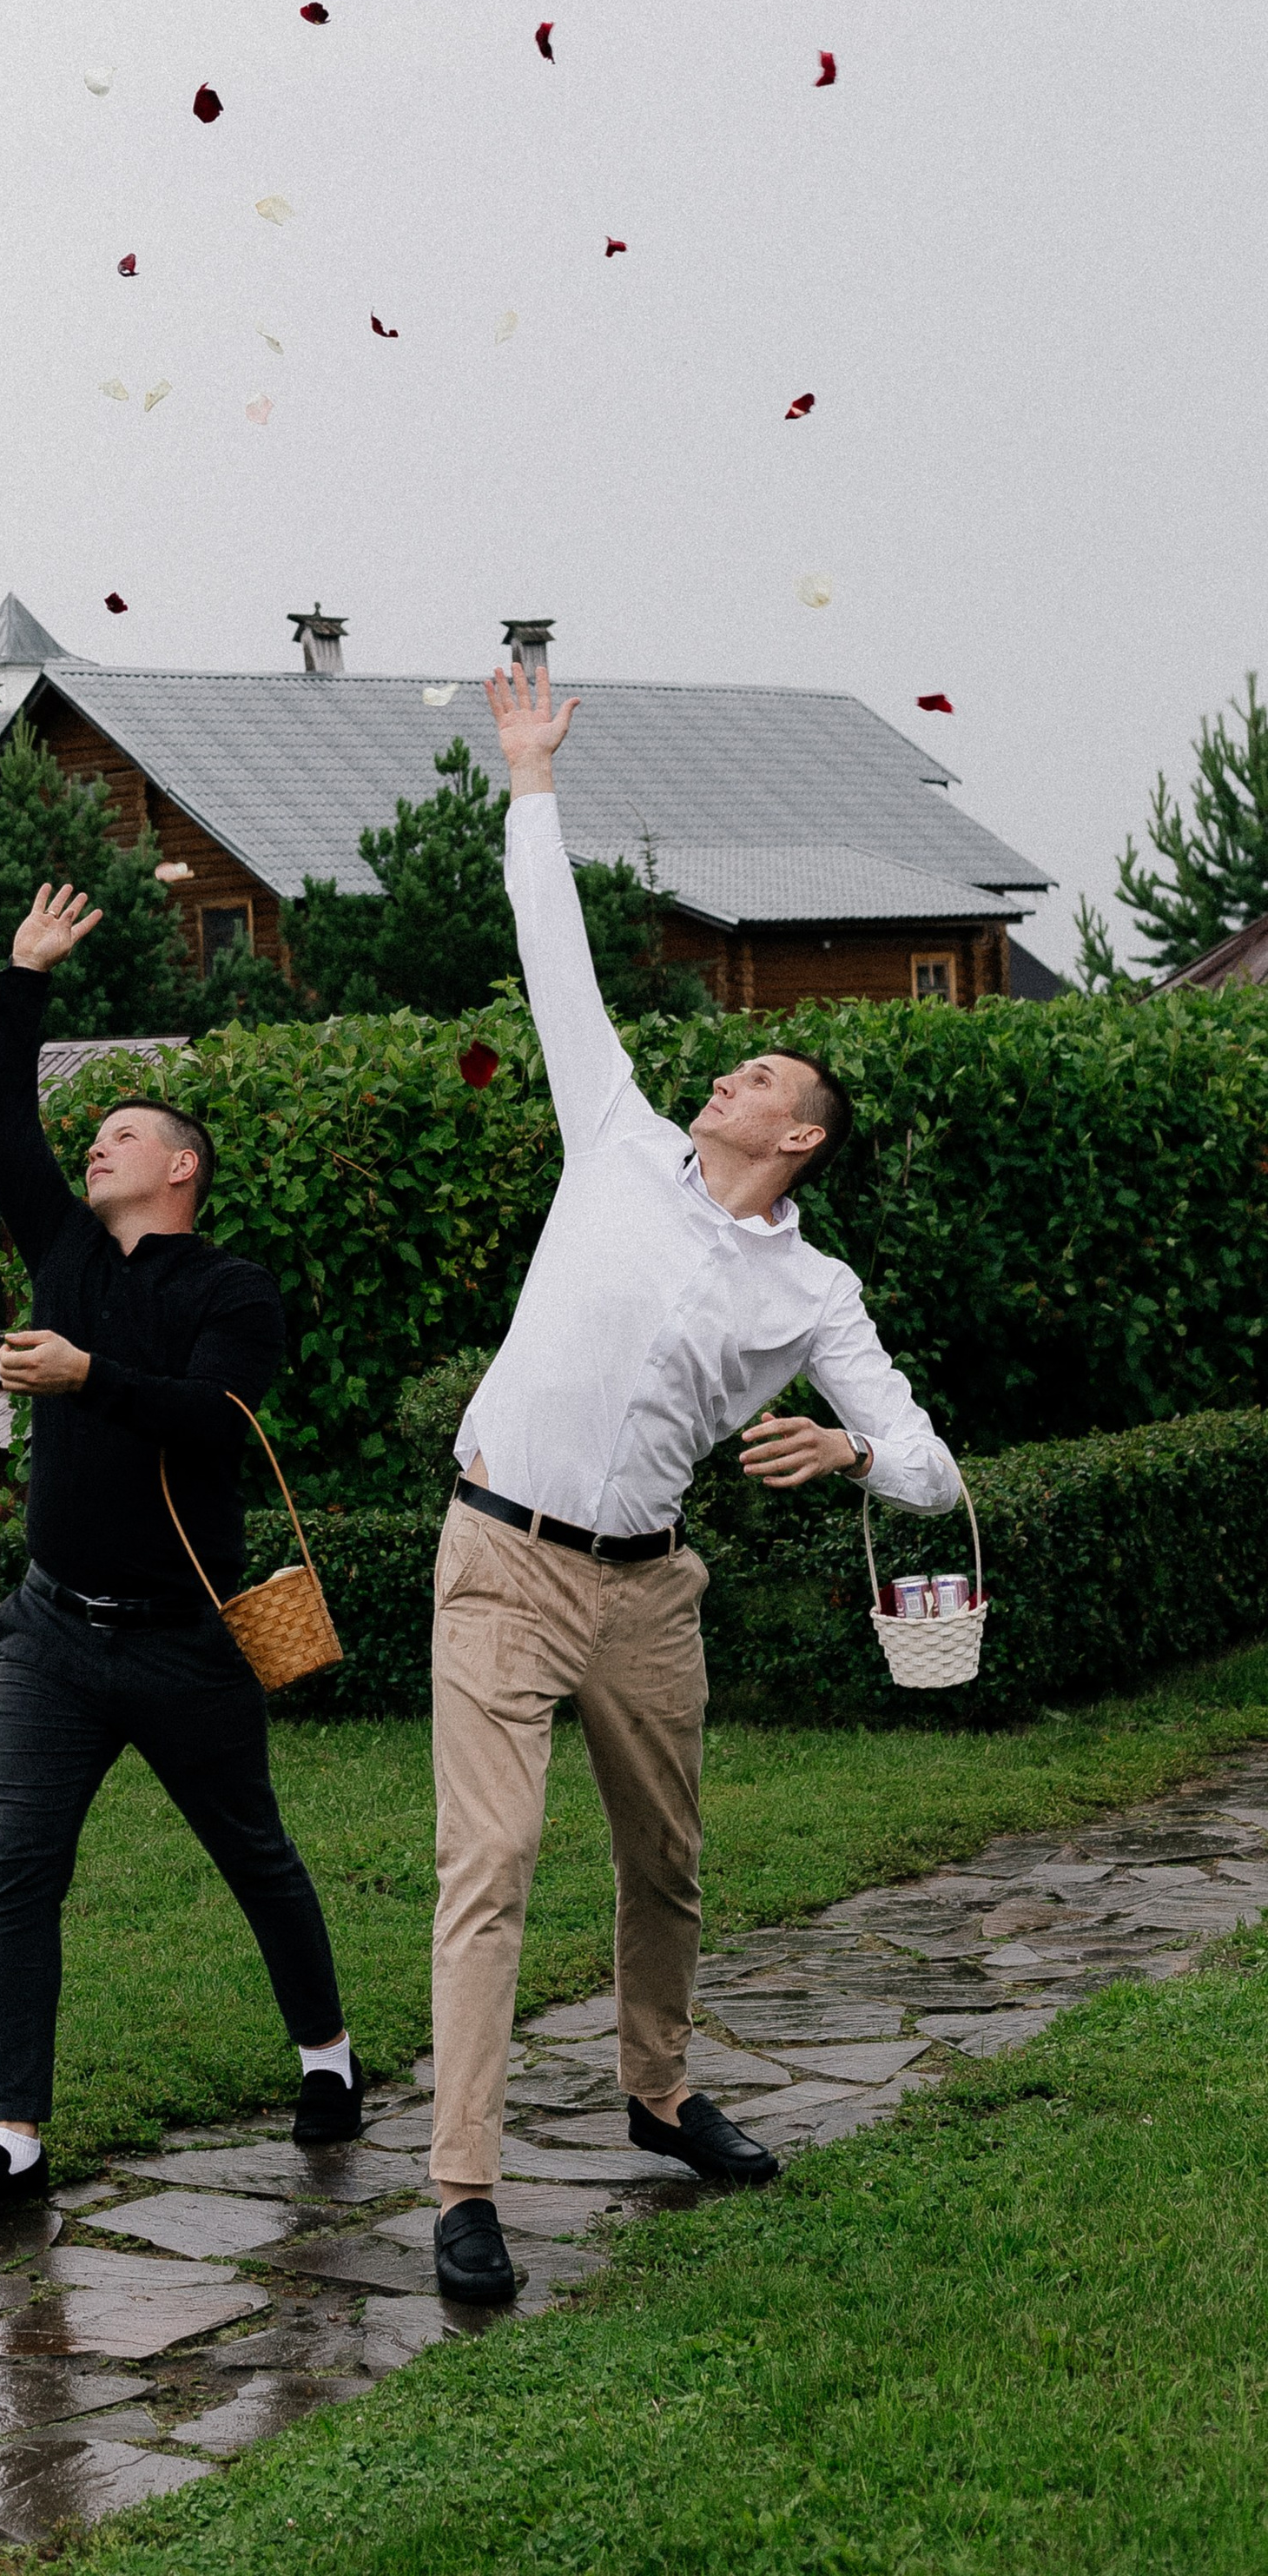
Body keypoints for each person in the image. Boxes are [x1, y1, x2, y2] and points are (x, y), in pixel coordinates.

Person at [427, 664, 964, 2306]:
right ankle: (465, 2187)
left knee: (664, 1867)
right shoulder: (612, 1133)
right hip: (500, 1555)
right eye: (733, 1071)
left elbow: (930, 1471)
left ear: (798, 1140)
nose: (727, 1078)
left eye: (759, 1083)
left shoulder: (815, 1291)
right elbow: (554, 950)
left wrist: (852, 1448)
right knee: (491, 1868)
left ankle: (657, 2097)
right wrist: (530, 776)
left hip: (647, 1593)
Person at [0, 880, 360, 2222]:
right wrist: (22, 977)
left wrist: (88, 1375)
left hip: (186, 1642)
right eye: (94, 1136)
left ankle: (328, 2060)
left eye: (121, 1136)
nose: (94, 1149)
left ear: (181, 1168)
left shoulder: (232, 1288)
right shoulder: (63, 1248)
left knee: (254, 1853)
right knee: (19, 1870)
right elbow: (2, 1122)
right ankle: (15, 2140)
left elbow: (217, 1418)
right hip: (51, 1632)